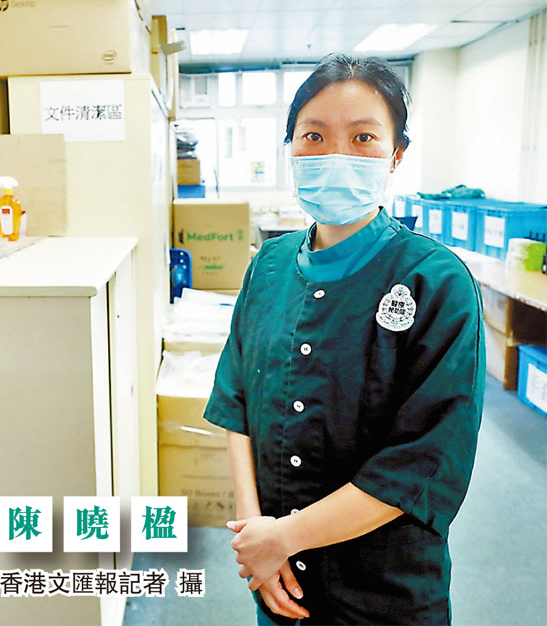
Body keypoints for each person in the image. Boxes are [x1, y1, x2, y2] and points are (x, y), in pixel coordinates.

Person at [203, 54, 484, 625]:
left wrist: (283, 537)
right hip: (278, 581)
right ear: (290, 149)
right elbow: (237, 402)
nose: (336, 155)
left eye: (363, 137)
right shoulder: (269, 266)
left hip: (383, 592)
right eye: (314, 135)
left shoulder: (436, 282)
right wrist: (257, 535)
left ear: (396, 154)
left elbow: (423, 458)